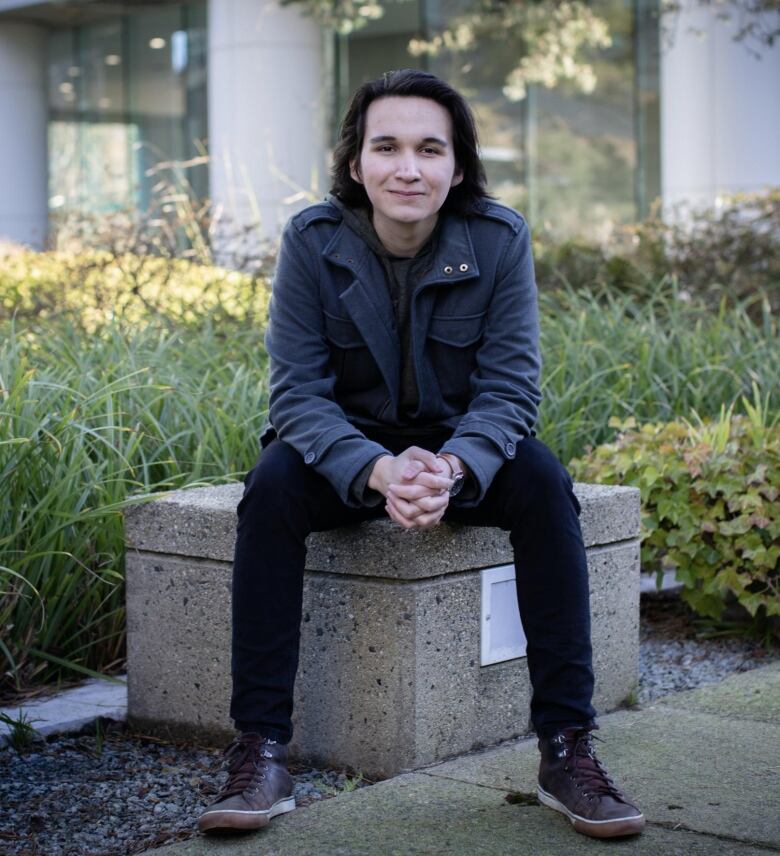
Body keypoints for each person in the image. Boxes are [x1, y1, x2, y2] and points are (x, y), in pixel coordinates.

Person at [197, 68, 645, 840]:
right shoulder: (314, 241)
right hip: (346, 450)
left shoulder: (499, 239)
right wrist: (375, 470)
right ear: (355, 163)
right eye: (388, 146)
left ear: (458, 166)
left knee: (543, 480)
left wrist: (452, 468)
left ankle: (568, 747)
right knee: (270, 484)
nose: (409, 167)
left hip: (458, 451)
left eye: (430, 148)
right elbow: (297, 395)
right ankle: (261, 749)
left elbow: (510, 390)